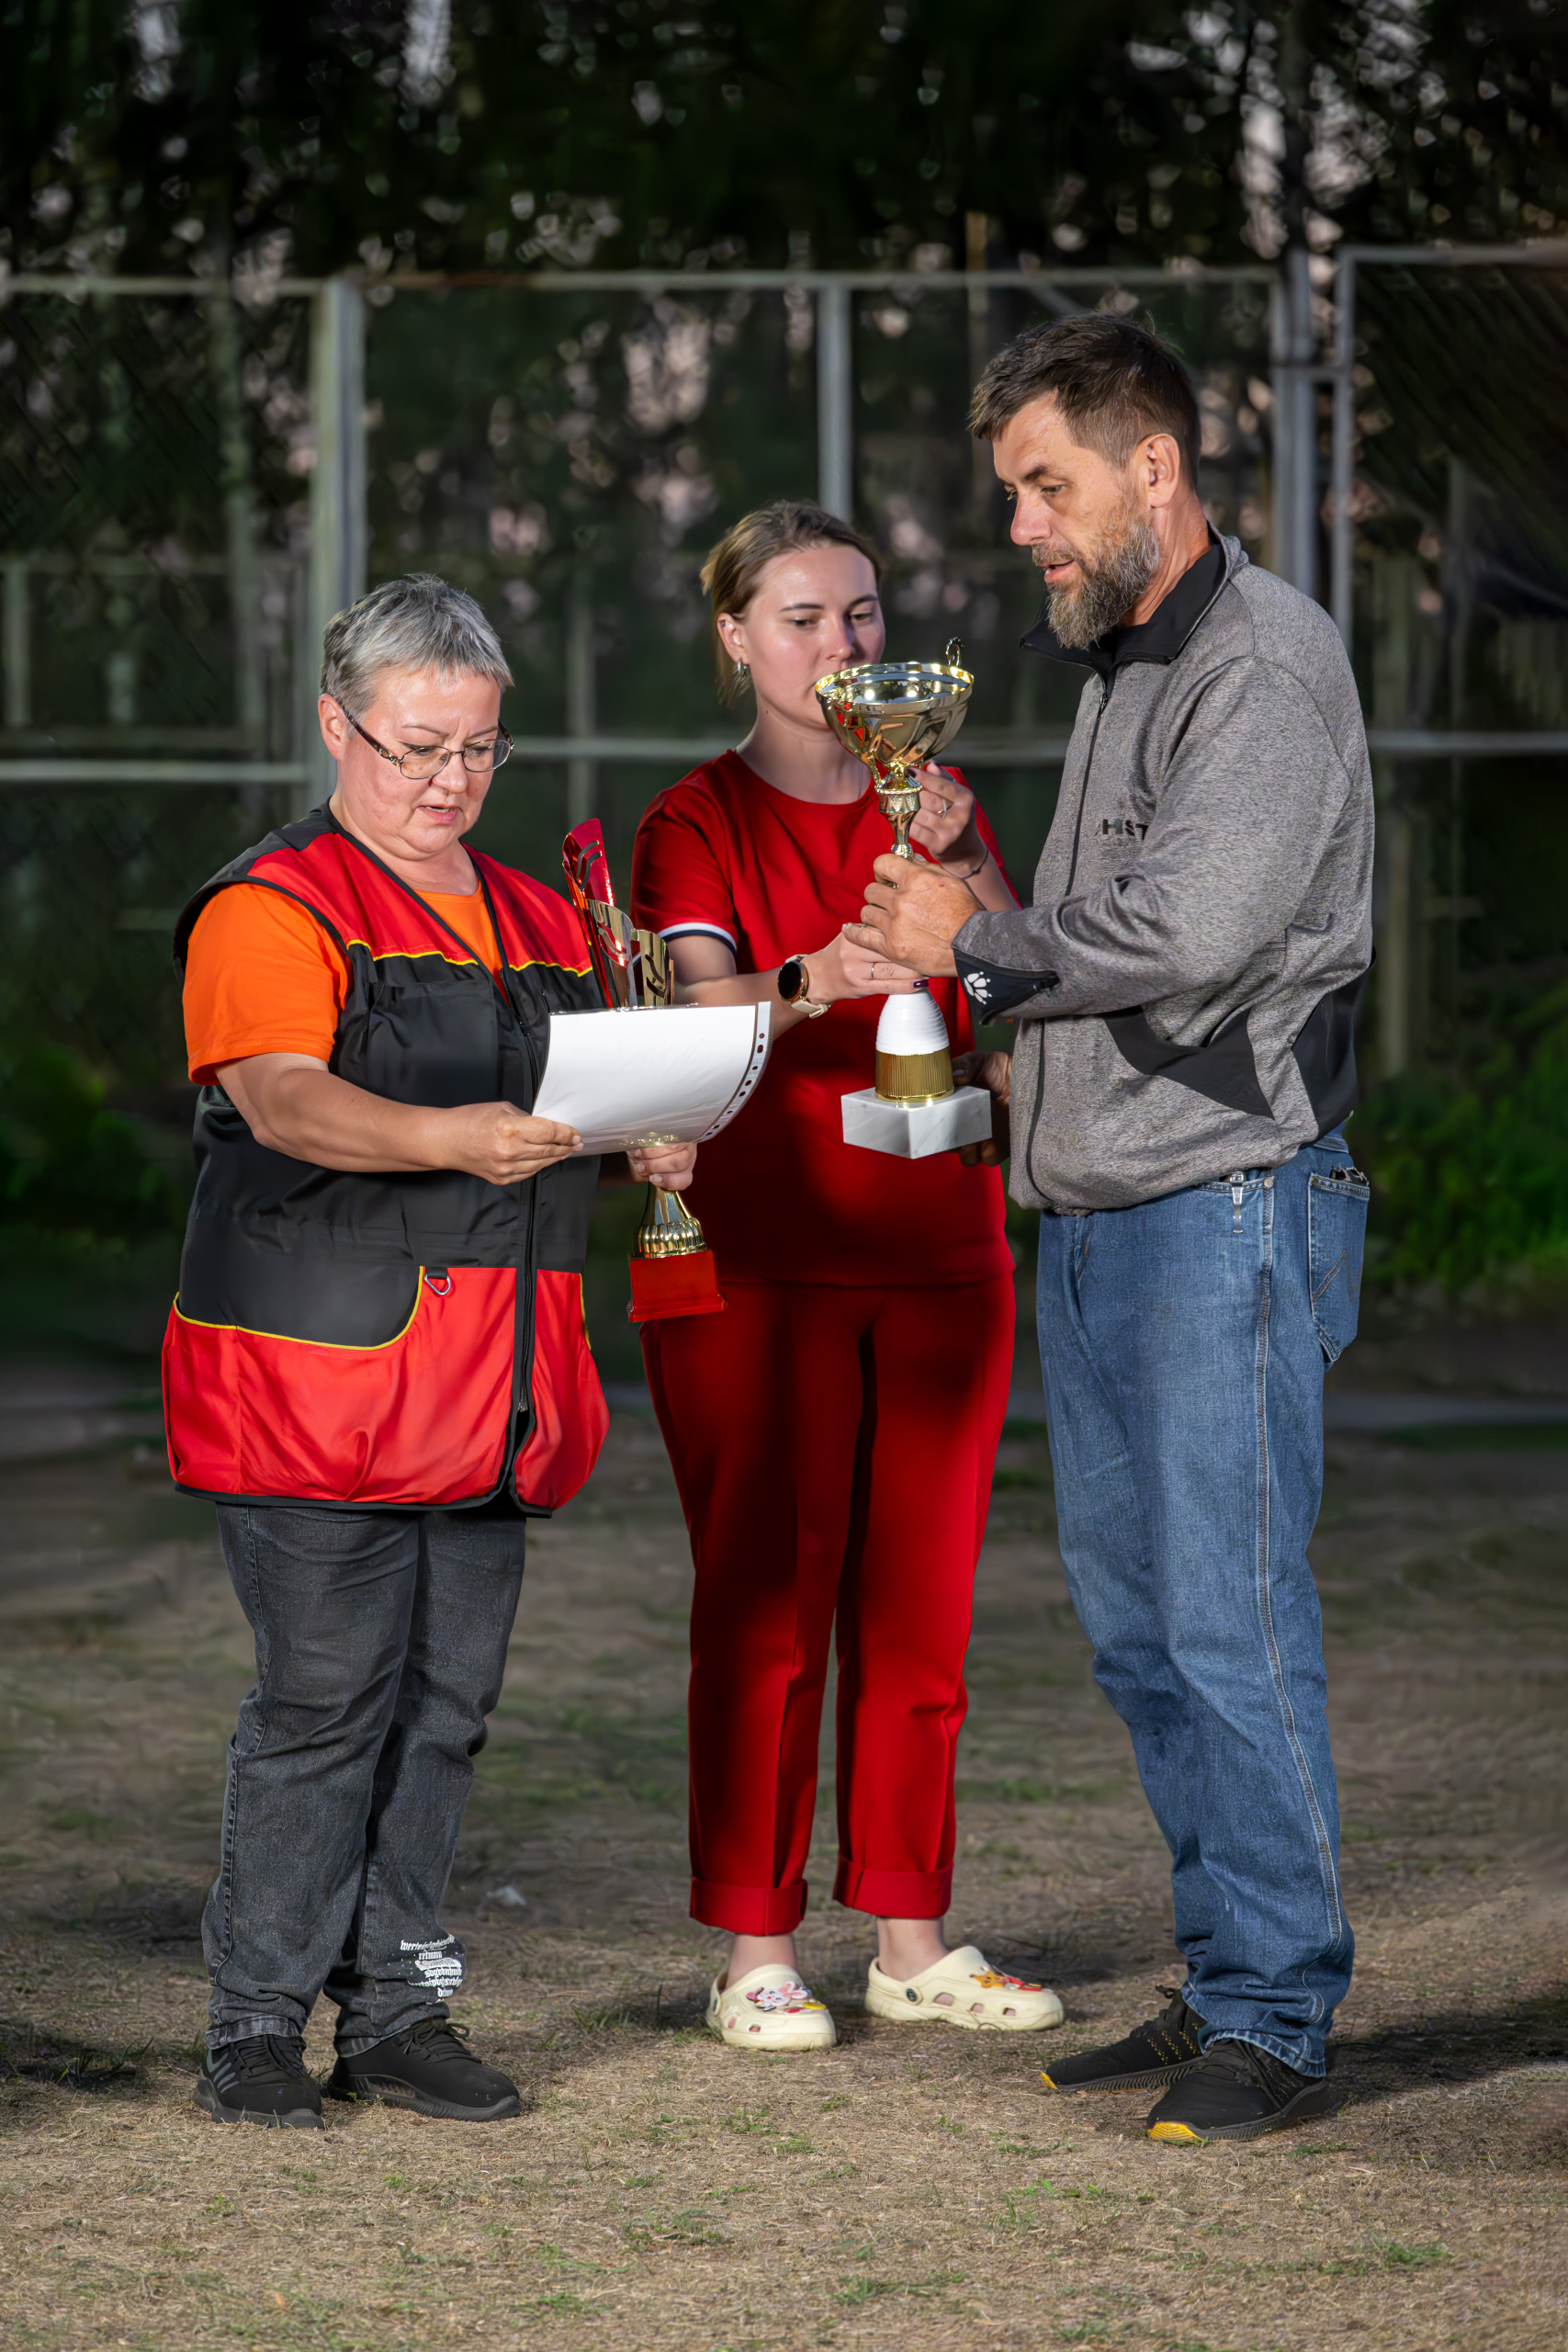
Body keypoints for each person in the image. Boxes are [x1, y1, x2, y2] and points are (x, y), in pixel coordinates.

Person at [850, 318, 1373, 2143]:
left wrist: (964, 940)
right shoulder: (1121, 661)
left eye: (1043, 484)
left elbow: (1191, 936)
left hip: (1219, 1202)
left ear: (1152, 468)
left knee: (1225, 1618)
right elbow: (1082, 934)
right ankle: (1223, 1968)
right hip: (1099, 1208)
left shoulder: (1261, 664)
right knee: (1143, 1628)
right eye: (1012, 491)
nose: (1020, 526)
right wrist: (973, 880)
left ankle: (1278, 2012)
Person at [164, 574, 696, 2129]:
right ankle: (255, 2025)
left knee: (445, 1712)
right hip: (317, 1391)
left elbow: (566, 1119)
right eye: (416, 747)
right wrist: (452, 1137)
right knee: (324, 1708)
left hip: (496, 1392)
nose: (450, 779)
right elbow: (281, 1099)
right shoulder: (274, 903)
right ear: (338, 728)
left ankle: (396, 2010)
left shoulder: (539, 921)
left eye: (478, 748)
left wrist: (638, 1149)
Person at [629, 500, 1064, 2050]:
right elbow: (692, 1021)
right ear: (736, 636)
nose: (841, 645)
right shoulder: (694, 819)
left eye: (865, 616)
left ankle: (910, 1935)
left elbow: (1028, 985)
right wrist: (817, 973)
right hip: (765, 1263)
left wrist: (966, 880)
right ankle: (755, 1946)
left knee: (923, 1607)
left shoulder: (936, 803)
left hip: (943, 1249)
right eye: (803, 618)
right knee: (767, 1608)